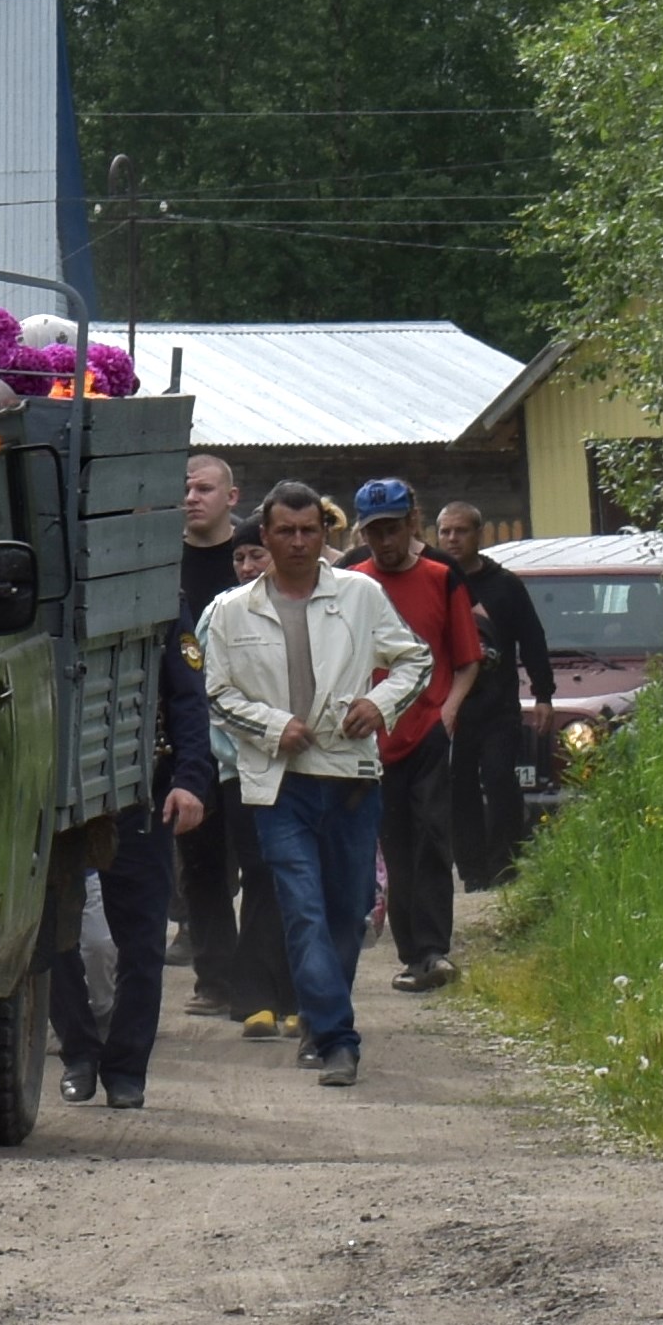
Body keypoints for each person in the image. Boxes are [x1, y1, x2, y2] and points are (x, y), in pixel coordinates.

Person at [199, 480, 428, 1089]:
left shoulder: (360, 594)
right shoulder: (230, 611)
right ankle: (336, 1039)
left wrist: (379, 705)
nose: (299, 542)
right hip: (278, 783)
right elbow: (217, 693)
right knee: (300, 909)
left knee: (347, 912)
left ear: (324, 534)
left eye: (309, 531)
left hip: (350, 778)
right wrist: (276, 726)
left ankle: (320, 1020)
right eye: (286, 532)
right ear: (264, 536)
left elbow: (416, 660)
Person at [48, 579, 216, 1108]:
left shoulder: (163, 595)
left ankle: (126, 1068)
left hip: (140, 790)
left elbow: (188, 698)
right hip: (59, 791)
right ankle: (78, 1052)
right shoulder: (52, 587)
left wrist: (190, 779)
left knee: (141, 940)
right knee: (53, 935)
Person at [172, 460, 298, 1039]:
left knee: (257, 863)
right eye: (185, 489)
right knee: (200, 866)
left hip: (255, 744)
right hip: (190, 734)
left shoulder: (257, 562)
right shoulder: (165, 563)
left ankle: (256, 977)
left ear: (232, 496)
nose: (191, 499)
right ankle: (215, 975)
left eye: (203, 489)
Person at [345, 480, 481, 993]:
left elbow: (467, 661)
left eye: (394, 528)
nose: (385, 540)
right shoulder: (352, 583)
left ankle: (433, 950)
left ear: (413, 524)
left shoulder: (442, 578)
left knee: (430, 838)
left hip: (426, 728)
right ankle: (411, 955)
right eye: (375, 531)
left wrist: (448, 711)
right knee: (394, 847)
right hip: (372, 737)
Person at [433, 501, 554, 890]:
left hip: (498, 705)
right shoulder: (435, 580)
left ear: (478, 535)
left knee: (502, 782)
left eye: (461, 531)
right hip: (450, 707)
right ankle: (471, 871)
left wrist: (544, 695)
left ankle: (505, 864)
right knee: (458, 789)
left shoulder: (505, 585)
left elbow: (533, 640)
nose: (452, 539)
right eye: (445, 531)